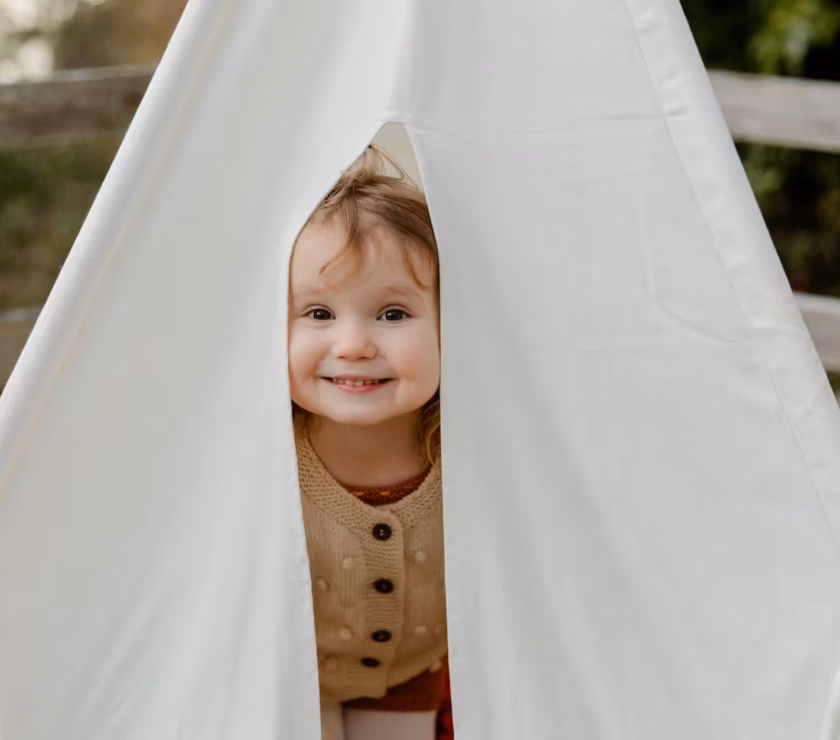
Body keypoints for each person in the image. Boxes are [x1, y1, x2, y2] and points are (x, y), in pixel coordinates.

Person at [287, 146, 448, 740]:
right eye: (320, 312)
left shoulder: (471, 447)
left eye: (393, 313)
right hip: (288, 673)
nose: (353, 344)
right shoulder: (262, 454)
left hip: (410, 676)